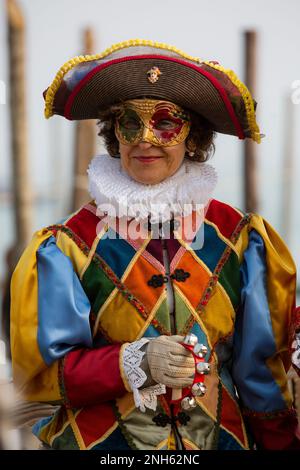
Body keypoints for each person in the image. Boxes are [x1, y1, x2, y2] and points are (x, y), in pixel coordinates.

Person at [10, 39, 300, 450]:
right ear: (115, 137)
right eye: (130, 124)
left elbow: (264, 373)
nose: (146, 140)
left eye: (165, 123)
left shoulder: (238, 238)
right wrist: (133, 362)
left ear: (193, 138)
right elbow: (44, 375)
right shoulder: (69, 245)